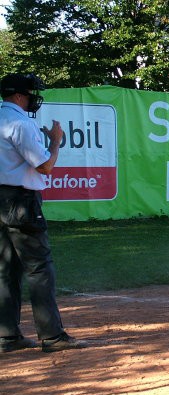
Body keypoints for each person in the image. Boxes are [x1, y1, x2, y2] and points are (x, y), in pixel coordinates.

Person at [0, 73, 87, 353]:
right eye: (29, 93)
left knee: (5, 269)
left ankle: (8, 336)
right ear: (17, 96)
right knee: (39, 268)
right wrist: (56, 142)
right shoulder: (20, 123)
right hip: (20, 201)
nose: (33, 98)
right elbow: (45, 167)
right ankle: (52, 336)